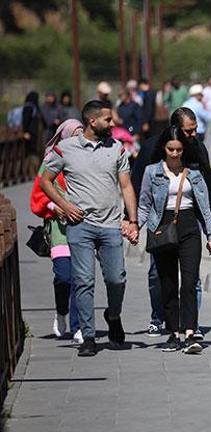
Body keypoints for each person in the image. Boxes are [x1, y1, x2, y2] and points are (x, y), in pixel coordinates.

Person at [39, 100, 139, 357]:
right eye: (107, 119)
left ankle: (113, 316)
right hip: (79, 225)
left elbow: (126, 186)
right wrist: (64, 204)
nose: (113, 123)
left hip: (110, 225)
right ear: (92, 121)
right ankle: (89, 337)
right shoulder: (65, 149)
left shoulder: (117, 148)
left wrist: (133, 220)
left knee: (116, 278)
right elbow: (45, 180)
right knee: (83, 281)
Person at [131, 107, 211, 338]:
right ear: (175, 129)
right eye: (189, 130)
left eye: (195, 130)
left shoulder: (197, 148)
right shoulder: (152, 149)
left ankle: (189, 325)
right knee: (159, 274)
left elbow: (209, 182)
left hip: (188, 218)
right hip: (160, 220)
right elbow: (138, 187)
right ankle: (159, 317)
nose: (194, 134)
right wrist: (132, 220)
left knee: (190, 276)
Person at [29, 119, 84, 343]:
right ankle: (61, 310)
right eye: (73, 135)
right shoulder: (51, 161)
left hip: (82, 227)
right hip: (59, 229)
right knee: (64, 276)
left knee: (81, 278)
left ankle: (78, 326)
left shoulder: (85, 159)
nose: (77, 139)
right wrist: (55, 206)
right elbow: (37, 196)